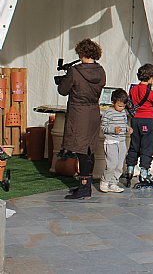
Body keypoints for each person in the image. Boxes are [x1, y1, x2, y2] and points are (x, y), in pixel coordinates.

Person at [58, 38, 106, 200]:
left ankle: (85, 188)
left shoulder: (76, 71)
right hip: (93, 111)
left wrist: (64, 79)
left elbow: (63, 90)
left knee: (81, 150)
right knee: (89, 149)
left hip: (79, 112)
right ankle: (85, 185)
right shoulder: (101, 71)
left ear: (81, 53)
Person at [124, 63, 153, 188]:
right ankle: (144, 172)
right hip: (147, 120)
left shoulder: (133, 89)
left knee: (134, 145)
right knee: (147, 146)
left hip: (135, 120)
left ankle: (130, 169)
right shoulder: (147, 90)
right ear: (151, 78)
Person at [99, 88, 131, 193]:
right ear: (113, 102)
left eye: (123, 106)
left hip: (121, 141)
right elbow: (103, 127)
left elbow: (124, 123)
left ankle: (114, 183)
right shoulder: (108, 113)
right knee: (112, 164)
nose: (122, 108)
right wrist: (113, 130)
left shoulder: (123, 113)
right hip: (111, 141)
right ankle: (105, 181)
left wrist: (127, 128)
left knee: (119, 164)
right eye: (119, 106)